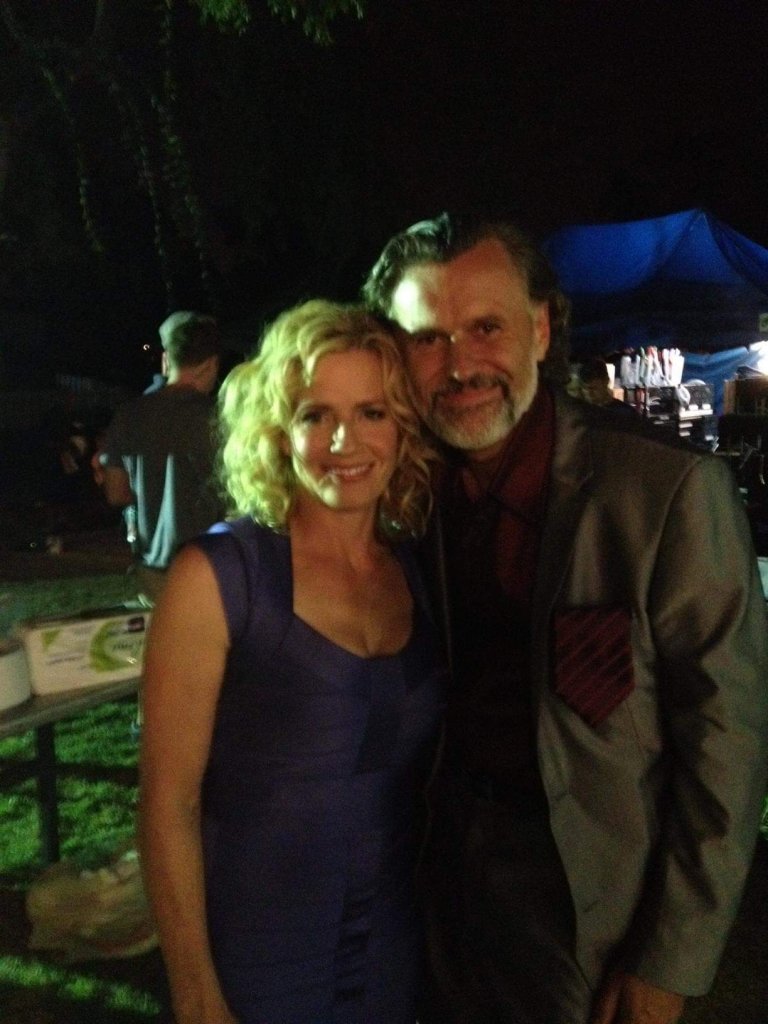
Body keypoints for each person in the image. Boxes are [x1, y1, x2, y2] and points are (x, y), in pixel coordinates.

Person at [362, 212, 768, 1024]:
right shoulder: (399, 488)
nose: (461, 365)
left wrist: (671, 957)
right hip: (430, 882)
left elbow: (729, 739)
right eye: (428, 338)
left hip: (590, 903)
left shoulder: (664, 490)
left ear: (542, 330)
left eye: (487, 328)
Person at [138, 299, 447, 1024]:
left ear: (403, 427)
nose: (345, 440)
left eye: (372, 412)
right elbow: (167, 804)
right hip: (257, 958)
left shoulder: (418, 572)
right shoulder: (219, 578)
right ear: (278, 430)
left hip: (396, 952)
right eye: (316, 415)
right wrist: (196, 993)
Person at [99, 310, 223, 603]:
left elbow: (116, 493)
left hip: (153, 572)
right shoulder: (221, 418)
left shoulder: (129, 415)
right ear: (210, 364)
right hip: (212, 567)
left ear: (168, 359)